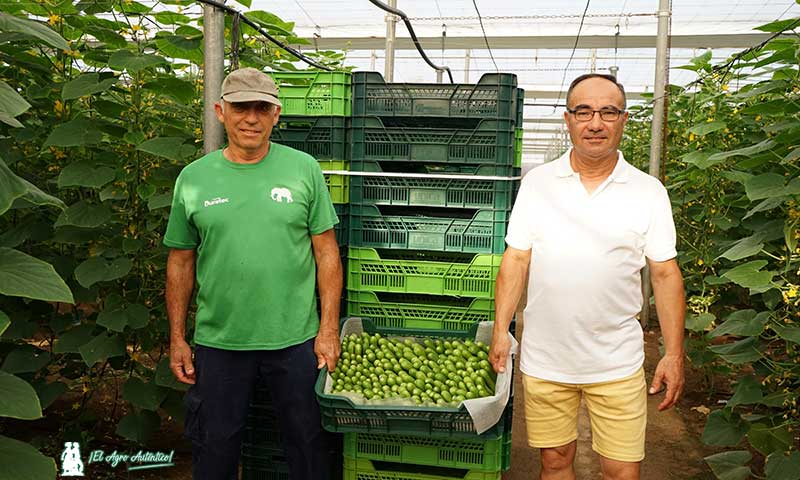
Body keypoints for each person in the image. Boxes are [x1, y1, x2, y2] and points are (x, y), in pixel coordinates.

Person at [489, 73, 686, 480]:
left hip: (617, 361)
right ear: (568, 119)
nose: (595, 122)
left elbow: (665, 274)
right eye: (584, 111)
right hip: (547, 359)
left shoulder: (648, 191)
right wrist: (500, 330)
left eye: (608, 111)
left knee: (621, 471)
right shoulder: (538, 184)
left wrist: (673, 353)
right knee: (555, 461)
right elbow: (516, 260)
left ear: (624, 120)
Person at [164, 67, 342, 480]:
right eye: (240, 107)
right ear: (220, 111)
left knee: (308, 444)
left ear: (276, 114)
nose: (250, 118)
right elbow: (180, 260)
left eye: (261, 108)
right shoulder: (194, 179)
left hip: (296, 339)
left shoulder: (304, 169)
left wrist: (328, 329)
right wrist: (177, 336)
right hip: (220, 340)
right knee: (214, 446)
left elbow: (326, 253)